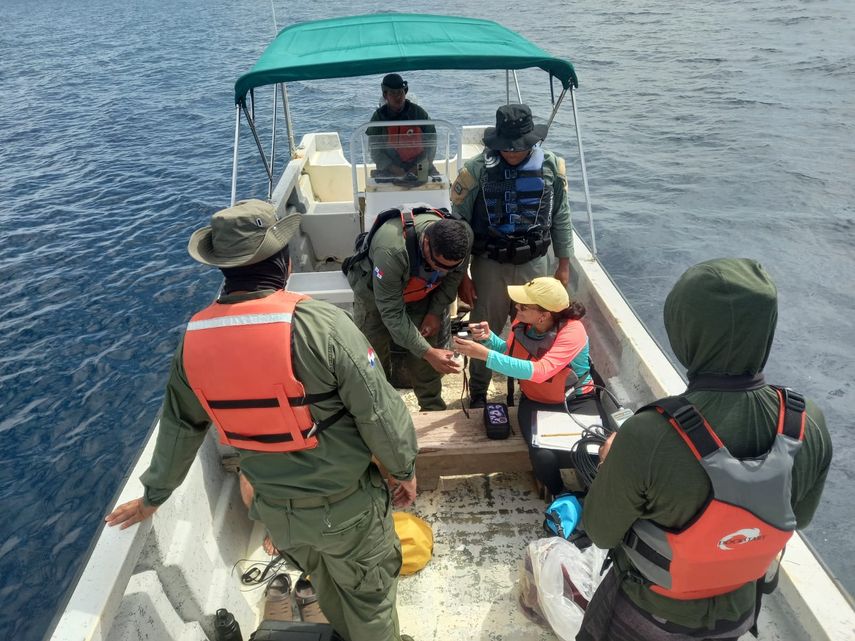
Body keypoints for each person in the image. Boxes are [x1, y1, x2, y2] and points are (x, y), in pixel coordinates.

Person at [105, 199, 419, 641]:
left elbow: (180, 427)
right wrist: (404, 471)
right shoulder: (320, 324)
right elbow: (380, 413)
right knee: (371, 601)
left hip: (279, 518)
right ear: (286, 264)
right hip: (348, 512)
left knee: (327, 586)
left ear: (224, 270)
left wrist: (153, 496)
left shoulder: (194, 342)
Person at [578, 258, 833, 641]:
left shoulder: (648, 434)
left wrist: (612, 458)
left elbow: (600, 531)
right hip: (738, 612)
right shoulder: (807, 420)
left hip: (648, 615)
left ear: (684, 332)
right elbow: (801, 517)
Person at [451, 103, 574, 408]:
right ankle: (479, 391)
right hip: (490, 265)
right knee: (484, 328)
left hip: (536, 263)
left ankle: (532, 388)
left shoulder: (552, 167)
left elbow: (561, 216)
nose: (513, 152)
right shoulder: (475, 171)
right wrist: (461, 276)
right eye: (507, 147)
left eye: (520, 146)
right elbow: (459, 226)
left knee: (535, 328)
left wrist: (564, 263)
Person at [452, 277, 593, 496]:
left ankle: (593, 493)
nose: (516, 307)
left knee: (593, 450)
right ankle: (561, 494)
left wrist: (484, 355)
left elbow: (540, 371)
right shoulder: (522, 325)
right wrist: (489, 340)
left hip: (576, 400)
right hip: (535, 400)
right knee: (543, 456)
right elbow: (512, 354)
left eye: (524, 306)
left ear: (544, 315)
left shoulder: (573, 332)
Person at [346, 206, 473, 410]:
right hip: (376, 294)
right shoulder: (391, 251)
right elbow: (392, 314)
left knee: (425, 353)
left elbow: (454, 277)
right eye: (437, 265)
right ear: (425, 242)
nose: (442, 271)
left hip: (422, 291)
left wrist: (434, 312)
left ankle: (432, 407)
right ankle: (380, 408)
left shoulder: (464, 236)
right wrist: (429, 352)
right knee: (372, 354)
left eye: (449, 267)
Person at [367, 73, 436, 178]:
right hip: (390, 169)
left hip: (420, 167)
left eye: (400, 92)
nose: (398, 96)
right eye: (393, 93)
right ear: (385, 95)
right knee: (380, 189)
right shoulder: (378, 118)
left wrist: (418, 168)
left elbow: (432, 143)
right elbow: (374, 150)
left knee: (435, 185)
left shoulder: (419, 113)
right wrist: (393, 169)